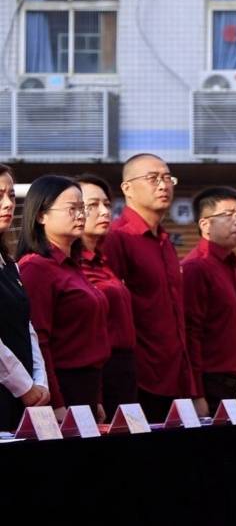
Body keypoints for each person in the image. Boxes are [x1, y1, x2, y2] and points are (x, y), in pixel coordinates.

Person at [101, 154, 197, 420]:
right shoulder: (117, 237)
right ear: (127, 188)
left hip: (176, 377)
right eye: (153, 178)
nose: (163, 185)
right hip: (140, 380)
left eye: (167, 178)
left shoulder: (165, 241)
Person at [18, 176, 111, 419]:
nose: (81, 215)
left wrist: (97, 398)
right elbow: (39, 341)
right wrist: (56, 403)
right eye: (72, 209)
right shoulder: (36, 267)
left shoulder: (72, 266)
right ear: (41, 216)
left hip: (88, 386)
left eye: (82, 208)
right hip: (63, 386)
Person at [71, 175, 137, 413]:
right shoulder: (70, 266)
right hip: (97, 373)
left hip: (125, 370)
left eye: (107, 204)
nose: (104, 211)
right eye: (92, 205)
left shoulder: (104, 261)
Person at [182, 187, 236, 407]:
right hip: (208, 385)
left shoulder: (230, 265)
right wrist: (196, 394)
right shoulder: (196, 267)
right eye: (228, 215)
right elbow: (189, 333)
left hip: (230, 385)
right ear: (205, 224)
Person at [0, 165, 54, 429]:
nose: (7, 203)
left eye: (11, 195)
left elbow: (26, 326)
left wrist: (40, 382)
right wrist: (24, 386)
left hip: (24, 398)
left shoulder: (11, 264)